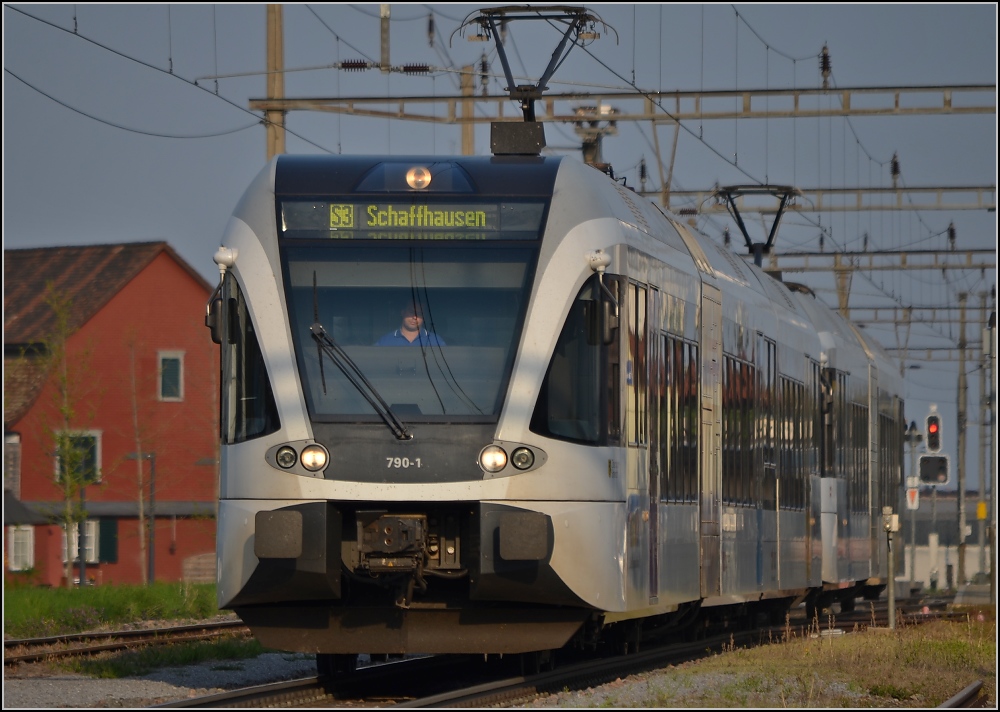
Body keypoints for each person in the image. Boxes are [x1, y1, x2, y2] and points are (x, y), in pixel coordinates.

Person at [375, 302, 446, 346]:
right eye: (411, 311)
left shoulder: (436, 341)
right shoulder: (385, 341)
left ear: (424, 317)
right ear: (403, 312)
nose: (414, 317)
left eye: (419, 313)